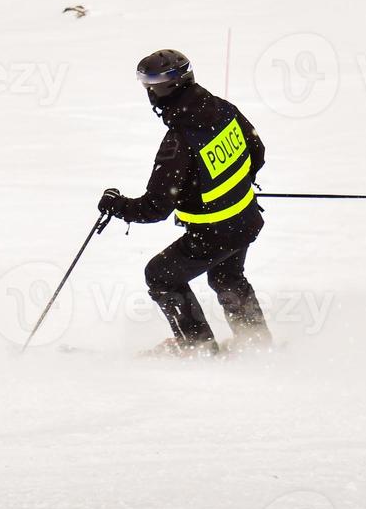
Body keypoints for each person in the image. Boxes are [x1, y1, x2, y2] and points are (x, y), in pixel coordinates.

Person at [98, 50, 273, 356]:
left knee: (160, 275)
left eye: (148, 84)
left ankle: (198, 349)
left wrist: (117, 206)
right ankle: (256, 341)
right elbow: (256, 150)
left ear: (161, 89)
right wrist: (227, 187)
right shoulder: (222, 108)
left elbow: (155, 208)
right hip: (245, 219)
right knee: (225, 275)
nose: (147, 91)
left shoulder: (178, 142)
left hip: (214, 232)